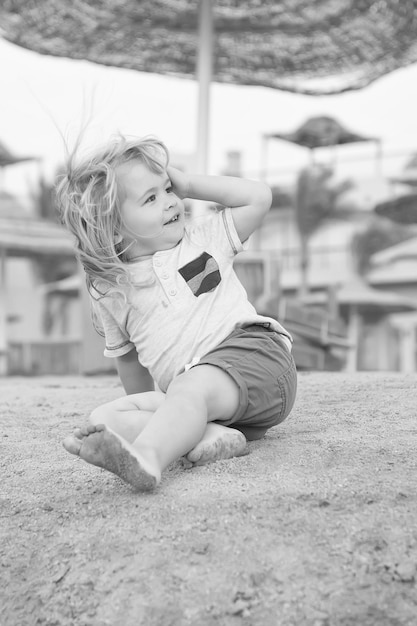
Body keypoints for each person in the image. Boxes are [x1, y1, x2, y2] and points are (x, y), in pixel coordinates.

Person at [57, 135, 297, 492]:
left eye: (168, 189)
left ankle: (150, 458)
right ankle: (212, 435)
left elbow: (259, 198)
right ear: (114, 229)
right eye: (151, 198)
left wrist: (190, 184)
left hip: (258, 361)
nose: (171, 202)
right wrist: (148, 409)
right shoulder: (111, 290)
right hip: (203, 401)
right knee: (105, 418)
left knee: (188, 387)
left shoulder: (205, 239)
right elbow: (129, 361)